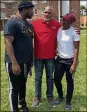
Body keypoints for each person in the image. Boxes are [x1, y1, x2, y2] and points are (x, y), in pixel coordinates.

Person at [4, 1, 34, 112]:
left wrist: (30, 62)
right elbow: (8, 43)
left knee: (23, 84)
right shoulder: (12, 22)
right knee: (14, 87)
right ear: (25, 9)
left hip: (26, 62)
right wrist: (14, 63)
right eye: (32, 9)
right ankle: (15, 109)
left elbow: (29, 43)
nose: (33, 12)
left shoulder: (28, 24)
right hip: (15, 62)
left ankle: (23, 104)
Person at [31, 6, 61, 107]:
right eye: (45, 12)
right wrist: (15, 16)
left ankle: (50, 96)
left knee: (50, 78)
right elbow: (24, 24)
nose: (46, 14)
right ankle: (37, 97)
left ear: (53, 15)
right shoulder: (35, 23)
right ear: (43, 13)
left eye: (49, 13)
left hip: (50, 57)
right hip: (38, 57)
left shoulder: (57, 25)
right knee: (38, 78)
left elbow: (63, 35)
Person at [54, 13, 80, 111]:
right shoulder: (59, 30)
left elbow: (77, 48)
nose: (62, 22)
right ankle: (61, 96)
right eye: (62, 19)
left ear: (70, 23)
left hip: (70, 60)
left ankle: (68, 102)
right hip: (60, 59)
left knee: (69, 82)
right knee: (56, 79)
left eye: (65, 20)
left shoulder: (74, 32)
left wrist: (74, 64)